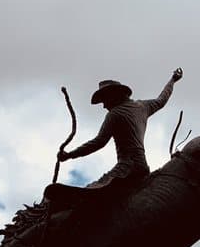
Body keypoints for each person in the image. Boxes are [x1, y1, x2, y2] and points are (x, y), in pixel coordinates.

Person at [45, 68, 183, 208]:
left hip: (127, 169)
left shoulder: (115, 114)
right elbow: (162, 99)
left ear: (114, 95)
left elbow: (99, 142)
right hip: (142, 167)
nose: (104, 106)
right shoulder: (143, 106)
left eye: (104, 100)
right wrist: (172, 80)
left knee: (91, 190)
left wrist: (70, 155)